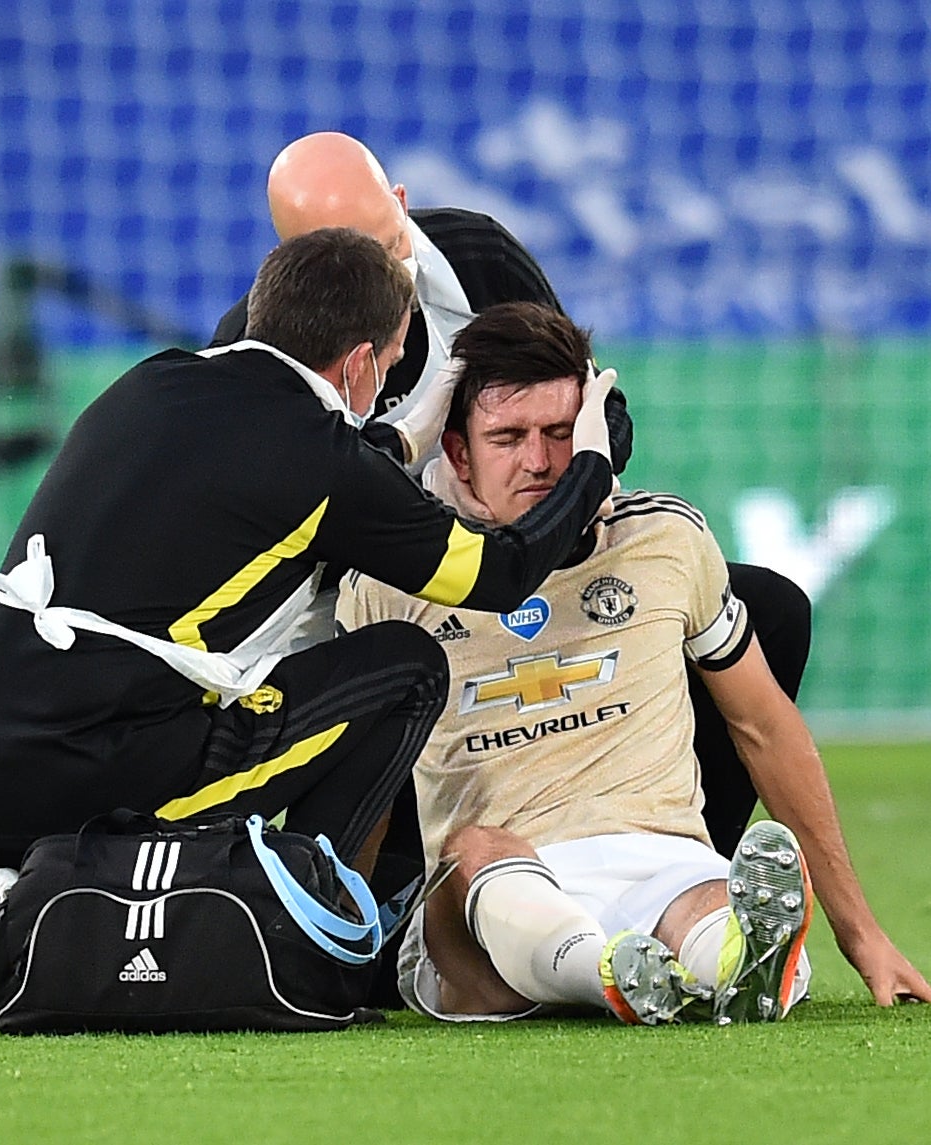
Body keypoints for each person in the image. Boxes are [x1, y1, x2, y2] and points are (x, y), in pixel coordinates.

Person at [0, 229, 618, 879]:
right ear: (360, 363)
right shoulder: (320, 460)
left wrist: (403, 440)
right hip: (90, 800)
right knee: (407, 670)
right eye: (391, 358)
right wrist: (588, 461)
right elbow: (499, 572)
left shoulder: (156, 384)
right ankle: (295, 922)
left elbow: (280, 481)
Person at [213, 130, 811, 858]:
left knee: (771, 612)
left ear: (401, 204)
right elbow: (290, 521)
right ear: (294, 266)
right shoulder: (261, 342)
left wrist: (559, 496)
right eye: (347, 264)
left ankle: (679, 869)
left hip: (537, 557)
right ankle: (370, 924)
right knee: (386, 678)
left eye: (387, 243)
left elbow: (595, 407)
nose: (385, 280)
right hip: (393, 600)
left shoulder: (475, 255)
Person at [338, 302, 931, 1022]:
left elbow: (765, 728)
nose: (539, 460)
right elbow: (364, 788)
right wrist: (337, 961)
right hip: (492, 891)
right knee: (475, 853)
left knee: (712, 902)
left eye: (561, 434)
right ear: (458, 453)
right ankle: (615, 973)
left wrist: (861, 930)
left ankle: (730, 964)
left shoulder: (663, 539)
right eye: (508, 437)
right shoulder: (391, 580)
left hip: (660, 857)